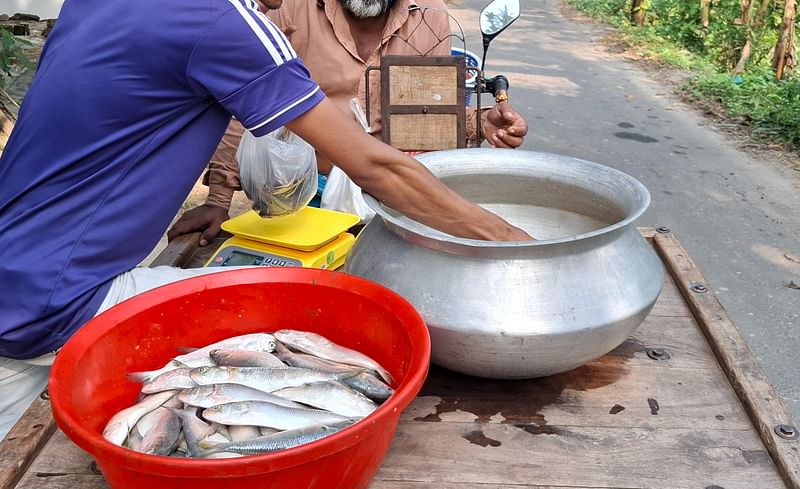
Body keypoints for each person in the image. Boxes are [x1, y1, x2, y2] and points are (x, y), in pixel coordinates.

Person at [0, 0, 531, 439]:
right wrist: (513, 242)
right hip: (67, 300)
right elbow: (374, 166)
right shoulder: (223, 20)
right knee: (333, 314)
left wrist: (471, 123)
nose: (278, 8)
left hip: (15, 281)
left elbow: (419, 128)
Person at [168, 0, 529, 245]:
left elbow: (423, 113)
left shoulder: (430, 14)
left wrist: (477, 123)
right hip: (300, 188)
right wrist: (218, 199)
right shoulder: (287, 7)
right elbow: (243, 102)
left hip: (394, 189)